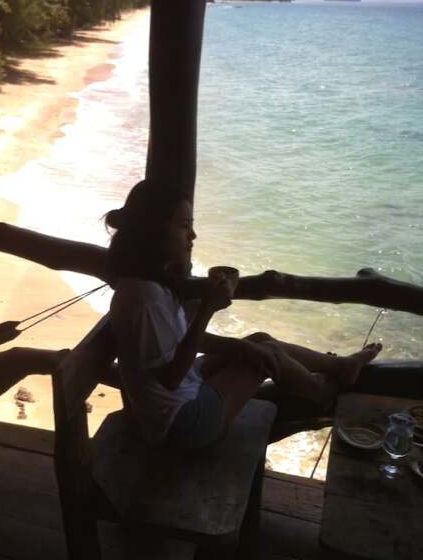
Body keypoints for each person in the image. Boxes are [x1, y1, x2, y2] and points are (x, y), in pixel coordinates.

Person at [106, 179, 382, 451]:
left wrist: (241, 346)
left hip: (174, 405)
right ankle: (325, 396)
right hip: (182, 424)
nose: (193, 236)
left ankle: (340, 367)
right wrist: (207, 309)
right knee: (264, 355)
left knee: (258, 342)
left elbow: (183, 344)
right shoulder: (144, 297)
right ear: (154, 229)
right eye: (184, 225)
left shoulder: (149, 283)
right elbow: (170, 378)